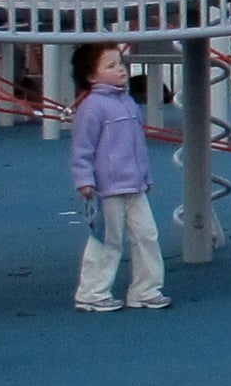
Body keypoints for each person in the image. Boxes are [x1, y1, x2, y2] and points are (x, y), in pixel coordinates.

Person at [66, 40, 165, 312]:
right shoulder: (92, 107)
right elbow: (82, 148)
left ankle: (146, 289)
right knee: (107, 240)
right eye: (111, 66)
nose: (120, 70)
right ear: (91, 76)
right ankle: (92, 292)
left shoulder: (128, 103)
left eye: (120, 63)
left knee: (147, 236)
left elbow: (137, 147)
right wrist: (84, 180)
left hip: (134, 185)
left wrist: (145, 177)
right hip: (107, 188)